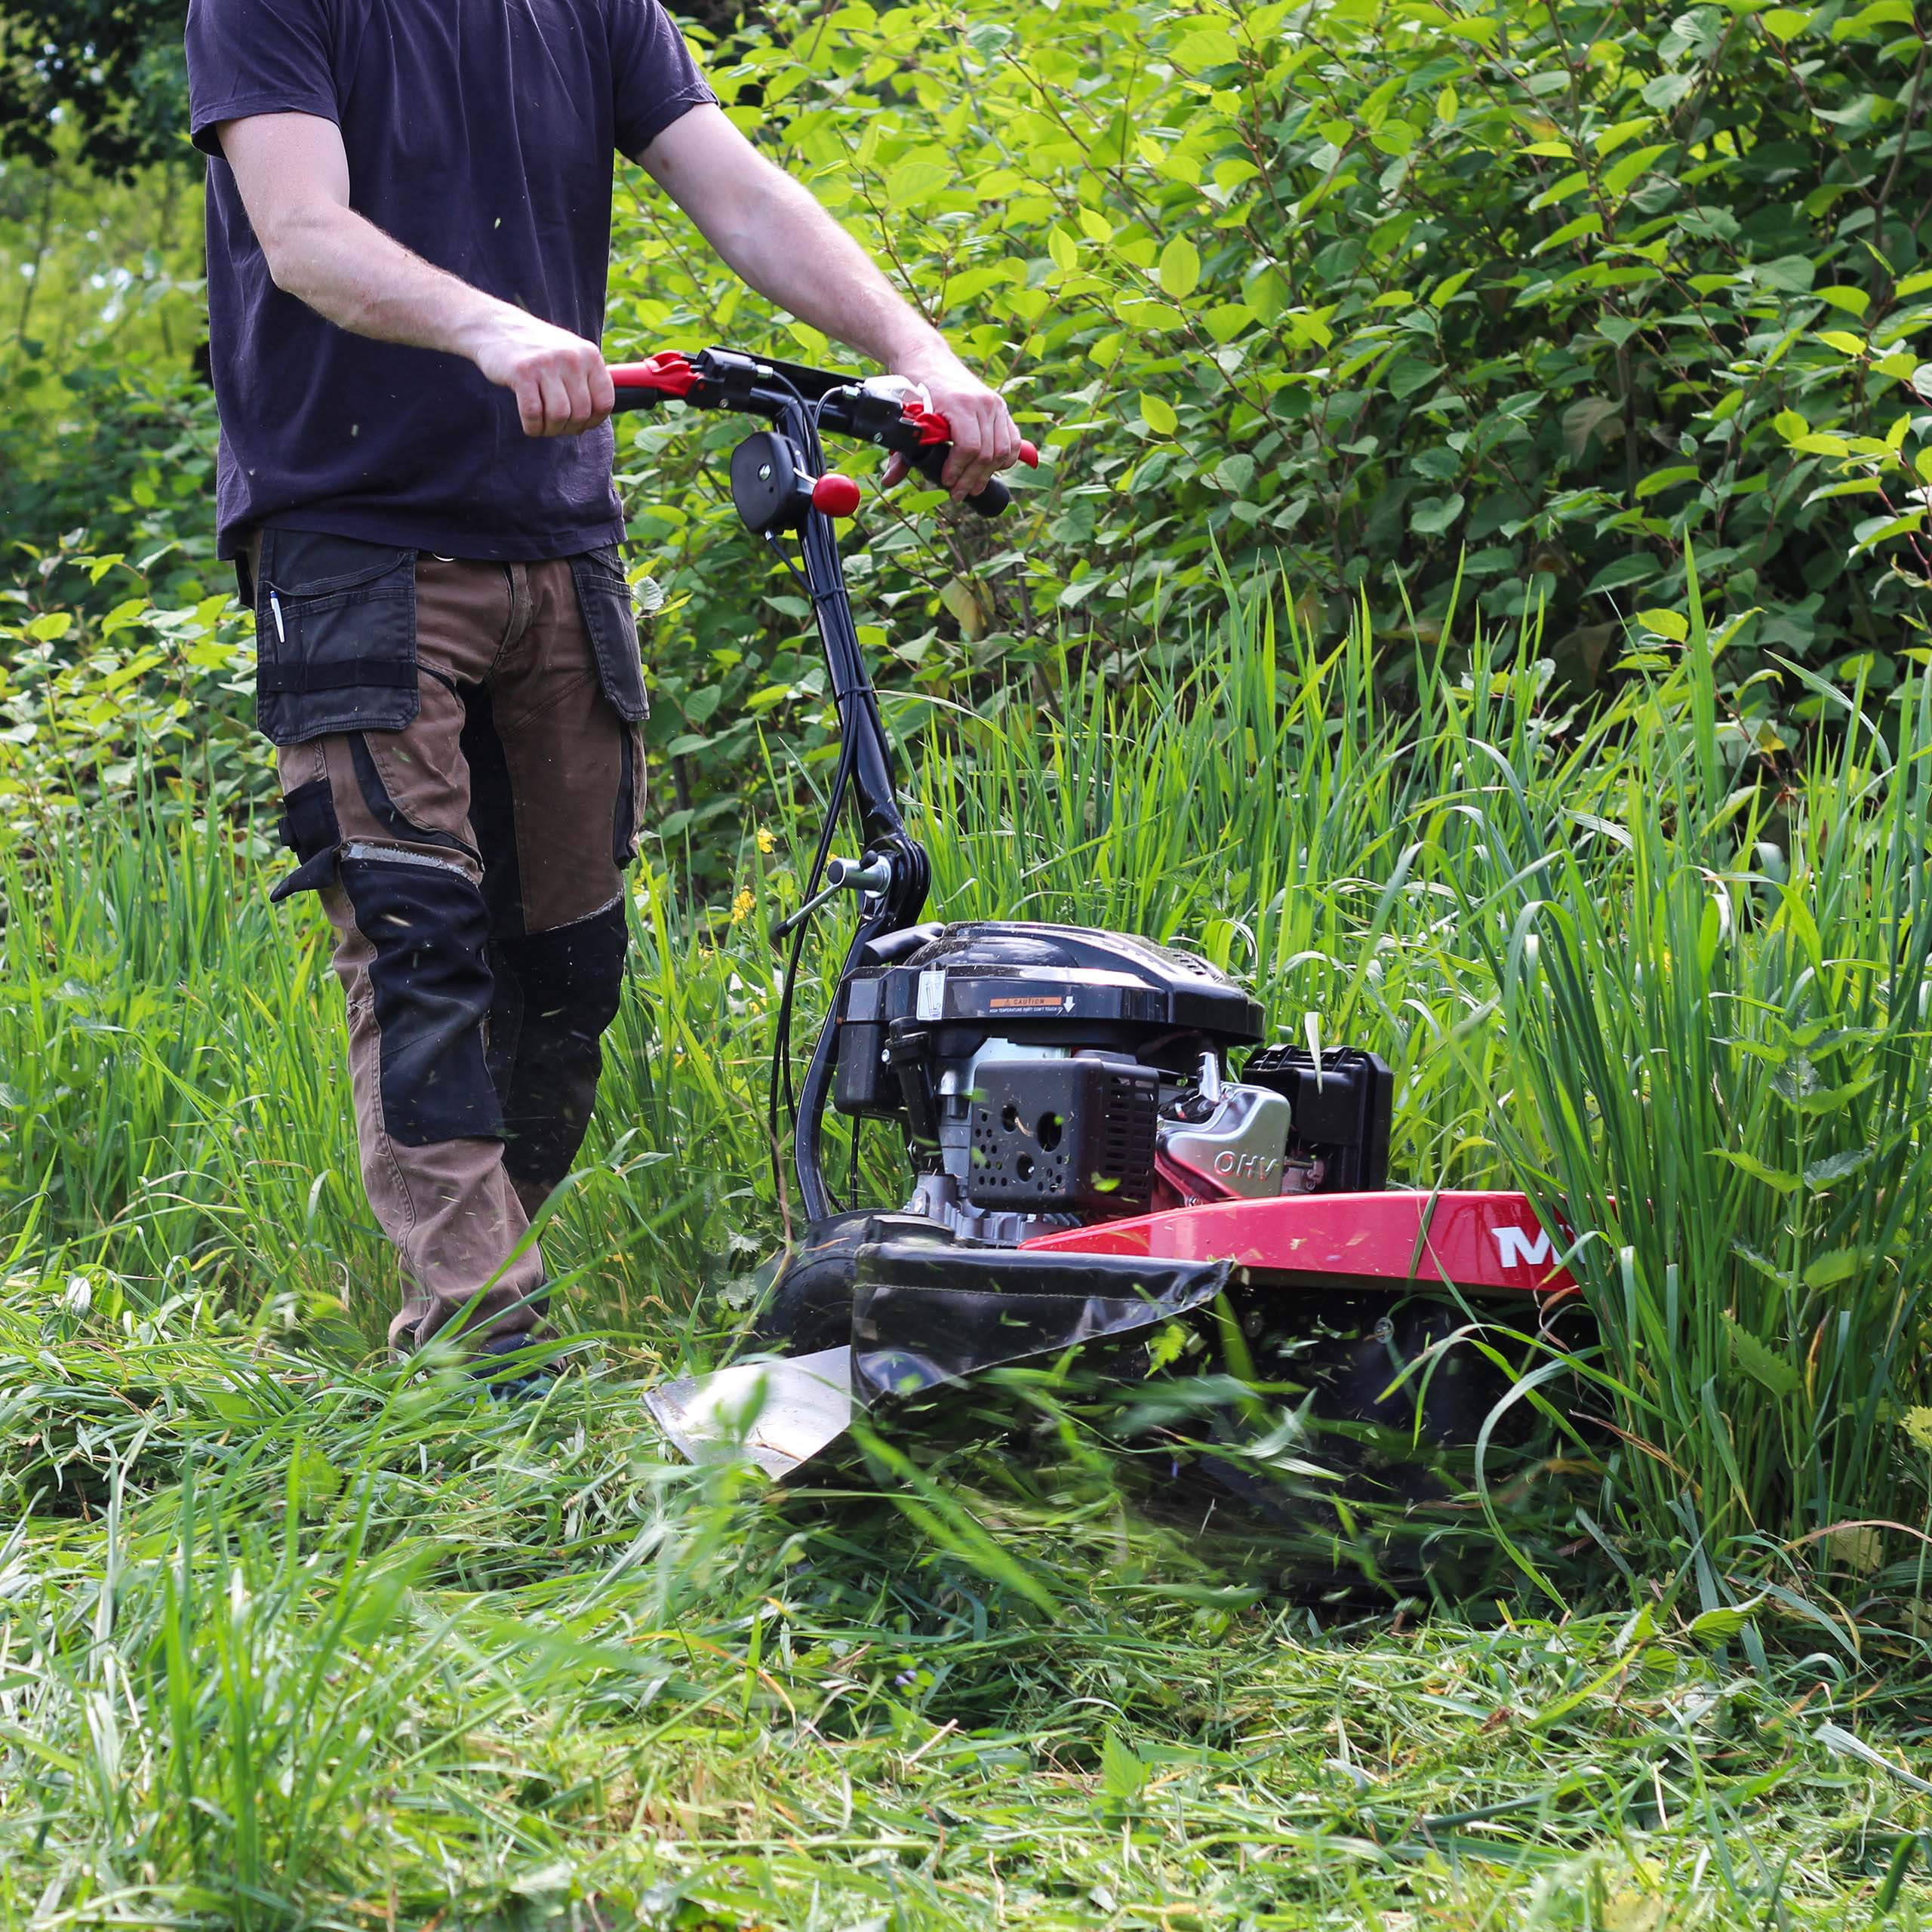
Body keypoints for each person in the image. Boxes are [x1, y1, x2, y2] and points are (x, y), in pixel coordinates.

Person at [183, 0, 1023, 1374]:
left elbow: (742, 196)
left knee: (569, 959)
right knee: (416, 936)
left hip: (558, 538)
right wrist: (492, 331)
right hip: (352, 533)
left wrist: (917, 353)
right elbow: (306, 234)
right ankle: (487, 1328)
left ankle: (475, 1310)